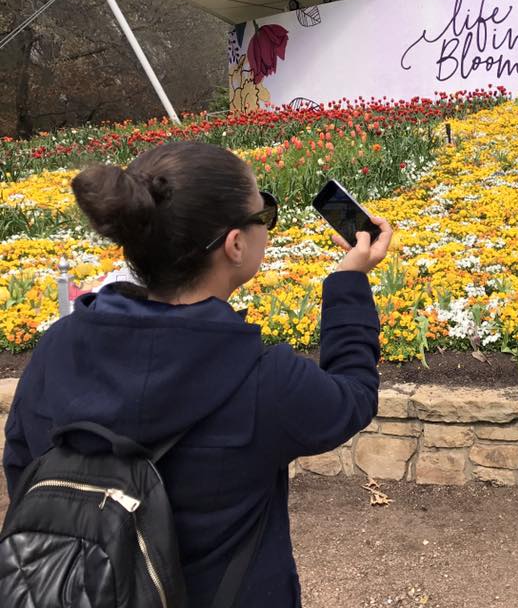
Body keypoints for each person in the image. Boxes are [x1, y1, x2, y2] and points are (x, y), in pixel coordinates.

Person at [2, 142, 392, 607]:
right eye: (263, 212)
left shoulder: (58, 349)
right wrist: (349, 278)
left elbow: (25, 471)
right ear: (235, 244)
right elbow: (353, 396)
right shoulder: (263, 380)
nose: (266, 224)